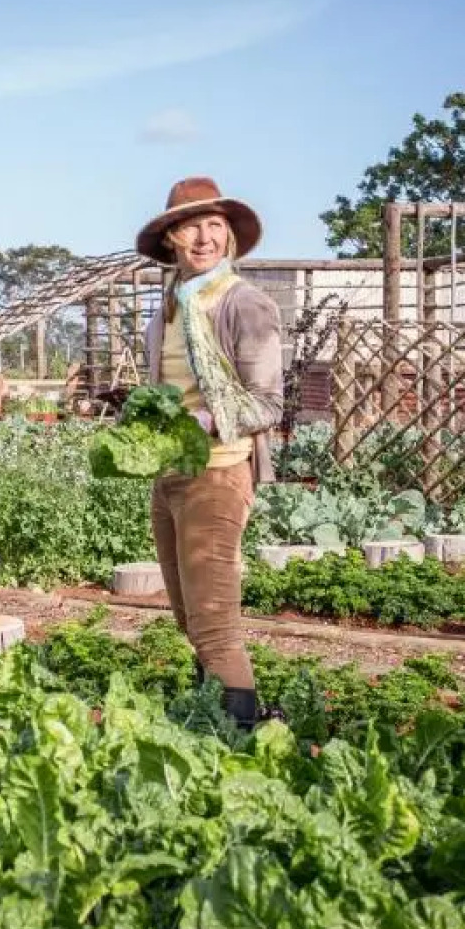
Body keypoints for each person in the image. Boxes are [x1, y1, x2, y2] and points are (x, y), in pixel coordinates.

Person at [133, 177, 285, 727]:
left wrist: (204, 419)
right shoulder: (169, 310)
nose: (204, 237)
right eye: (191, 225)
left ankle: (240, 740)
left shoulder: (245, 305)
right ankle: (213, 720)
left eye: (215, 225)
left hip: (218, 475)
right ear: (172, 236)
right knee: (189, 619)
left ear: (230, 237)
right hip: (169, 477)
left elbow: (268, 404)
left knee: (215, 622)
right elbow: (170, 392)